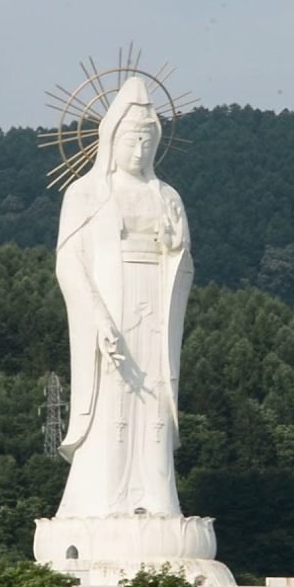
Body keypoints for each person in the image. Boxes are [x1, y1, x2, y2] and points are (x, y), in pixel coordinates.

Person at [54, 77, 193, 519]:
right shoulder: (85, 193)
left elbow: (183, 260)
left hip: (155, 298)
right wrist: (97, 318)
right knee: (114, 395)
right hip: (111, 302)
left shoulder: (166, 195)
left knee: (154, 395)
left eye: (148, 141)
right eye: (132, 140)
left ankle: (156, 497)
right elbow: (69, 262)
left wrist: (175, 245)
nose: (140, 151)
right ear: (111, 139)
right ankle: (105, 498)